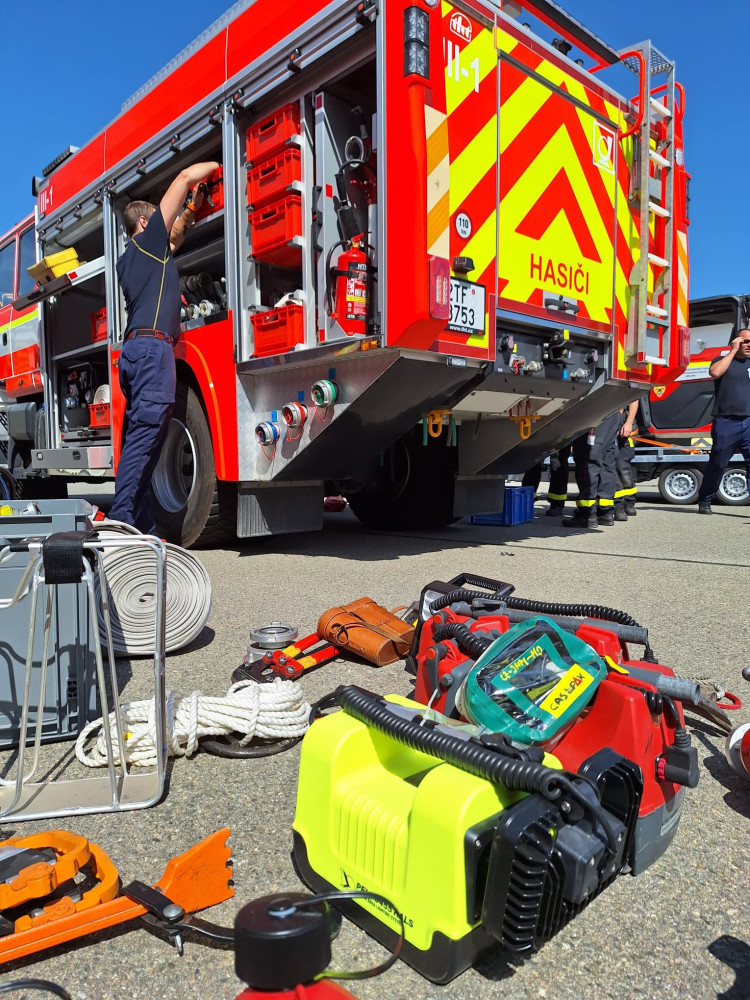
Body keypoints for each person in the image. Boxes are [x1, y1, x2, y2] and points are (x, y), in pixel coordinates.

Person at [108, 161, 220, 532]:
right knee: (146, 436)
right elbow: (184, 177)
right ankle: (121, 519)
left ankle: (141, 524)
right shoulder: (148, 241)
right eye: (158, 218)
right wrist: (218, 164)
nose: (163, 222)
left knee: (147, 437)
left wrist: (192, 209)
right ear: (145, 222)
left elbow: (174, 239)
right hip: (152, 351)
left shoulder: (133, 258)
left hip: (136, 353)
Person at [696, 330, 750, 514]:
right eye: (745, 341)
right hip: (726, 422)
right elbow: (715, 372)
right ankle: (705, 499)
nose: (749, 345)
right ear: (735, 341)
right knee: (718, 464)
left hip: (748, 421)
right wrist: (733, 351)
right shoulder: (722, 360)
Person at [563, 410, 620, 528]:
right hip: (611, 414)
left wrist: (592, 421)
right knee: (606, 465)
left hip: (595, 416)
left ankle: (587, 514)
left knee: (588, 465)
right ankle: (605, 512)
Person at [614, 399, 640, 520]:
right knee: (610, 468)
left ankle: (628, 503)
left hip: (624, 424)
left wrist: (628, 422)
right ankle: (618, 505)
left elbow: (634, 399)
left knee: (622, 466)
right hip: (611, 423)